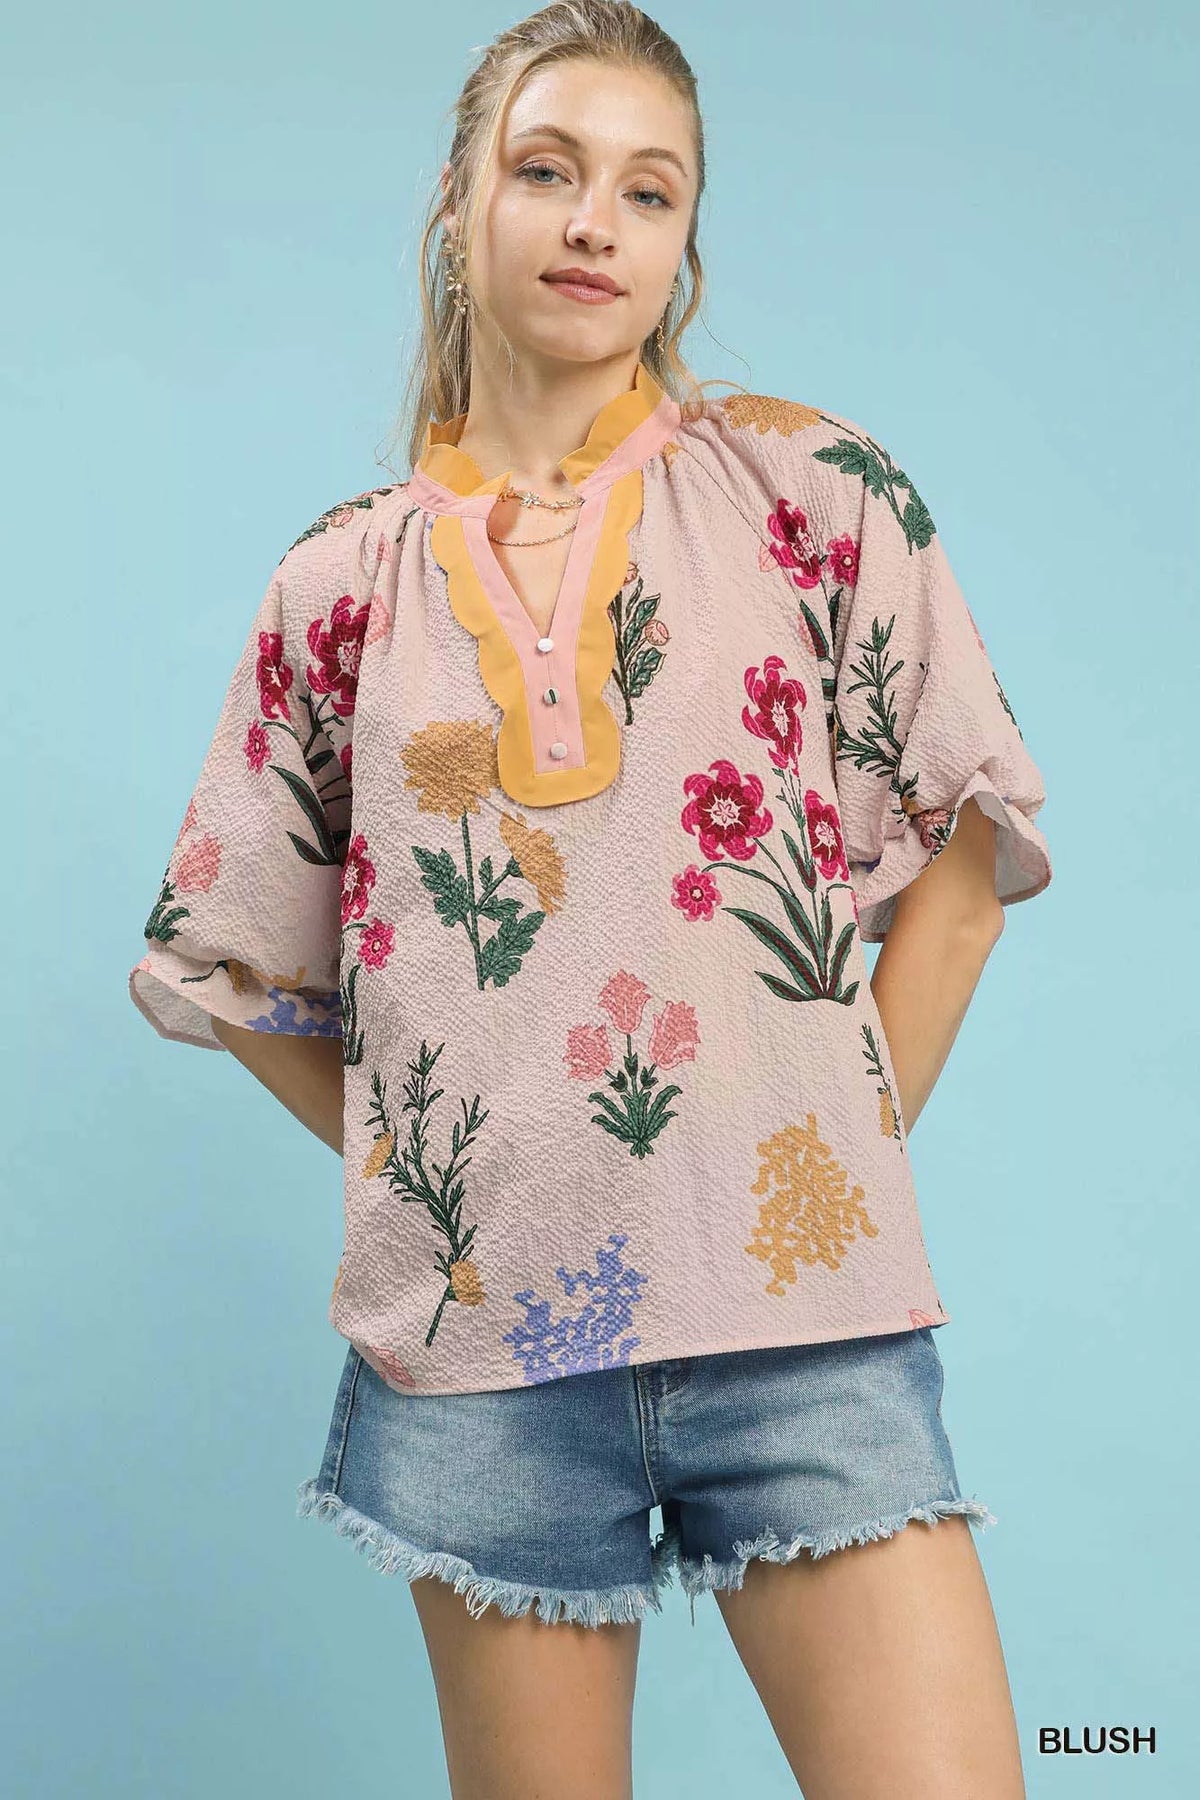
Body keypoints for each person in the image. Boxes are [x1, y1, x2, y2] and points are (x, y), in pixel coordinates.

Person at [128, 4, 1053, 1795]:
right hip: (483, 1375)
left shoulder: (810, 493)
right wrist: (447, 1181)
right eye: (547, 169)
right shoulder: (336, 586)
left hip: (807, 1338)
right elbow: (231, 963)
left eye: (647, 190)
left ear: (683, 241)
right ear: (458, 200)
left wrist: (814, 1164)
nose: (591, 223)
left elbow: (964, 866)